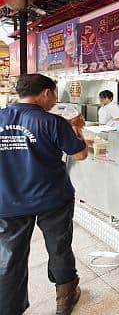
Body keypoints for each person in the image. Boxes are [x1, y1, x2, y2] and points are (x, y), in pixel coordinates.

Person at [0, 74, 88, 315]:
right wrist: (76, 130)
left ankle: (8, 309)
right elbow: (80, 154)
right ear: (46, 93)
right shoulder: (52, 121)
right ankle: (65, 300)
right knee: (59, 248)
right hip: (52, 198)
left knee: (10, 256)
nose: (54, 101)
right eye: (54, 95)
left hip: (8, 200)